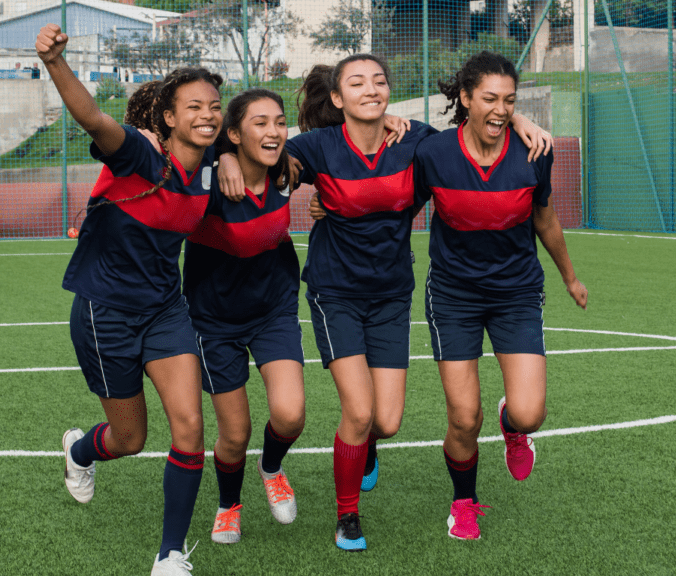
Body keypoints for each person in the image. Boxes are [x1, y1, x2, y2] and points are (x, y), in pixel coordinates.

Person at [220, 53, 551, 551]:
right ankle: (347, 518)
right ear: (337, 98)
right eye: (356, 82)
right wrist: (224, 157)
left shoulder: (413, 138)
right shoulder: (317, 146)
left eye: (379, 81)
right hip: (335, 294)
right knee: (358, 411)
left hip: (393, 294)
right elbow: (257, 148)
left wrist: (518, 116)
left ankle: (367, 447)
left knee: (386, 421)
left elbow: (478, 125)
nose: (371, 89)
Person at [36, 23, 219, 576]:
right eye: (194, 106)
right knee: (131, 438)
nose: (208, 114)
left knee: (190, 428)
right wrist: (55, 64)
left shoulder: (216, 162)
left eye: (215, 105)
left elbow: (277, 143)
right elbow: (92, 117)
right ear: (168, 116)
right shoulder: (139, 154)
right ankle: (79, 450)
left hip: (166, 309)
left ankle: (169, 555)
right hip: (105, 311)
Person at [413, 51, 588, 541]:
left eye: (510, 100)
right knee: (463, 418)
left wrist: (570, 277)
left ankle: (511, 427)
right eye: (489, 98)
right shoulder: (435, 155)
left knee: (531, 413)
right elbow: (393, 204)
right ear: (465, 99)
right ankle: (463, 503)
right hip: (453, 296)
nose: (500, 109)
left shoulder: (535, 152)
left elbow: (546, 219)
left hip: (515, 292)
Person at [182, 89, 305, 545]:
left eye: (279, 121)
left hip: (272, 312)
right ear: (234, 132)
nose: (273, 131)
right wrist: (222, 157)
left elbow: (339, 136)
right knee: (234, 435)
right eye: (259, 123)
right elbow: (170, 142)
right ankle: (228, 504)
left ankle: (271, 467)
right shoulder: (206, 184)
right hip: (213, 323)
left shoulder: (286, 171)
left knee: (290, 417)